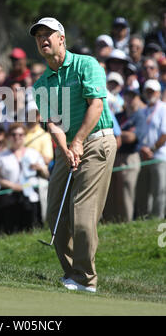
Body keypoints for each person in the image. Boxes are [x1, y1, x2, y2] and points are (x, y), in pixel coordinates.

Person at [30, 16, 117, 293]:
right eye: (38, 36)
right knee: (55, 215)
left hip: (96, 142)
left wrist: (77, 141)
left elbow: (96, 106)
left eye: (49, 34)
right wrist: (66, 149)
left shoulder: (86, 65)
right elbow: (53, 123)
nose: (43, 39)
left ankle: (86, 279)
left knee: (82, 212)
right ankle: (74, 274)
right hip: (67, 148)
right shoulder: (41, 84)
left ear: (61, 38)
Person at [0, 123, 49, 235]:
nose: (17, 137)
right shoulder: (2, 155)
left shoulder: (33, 153)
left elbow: (46, 175)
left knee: (32, 228)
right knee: (11, 230)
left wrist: (40, 168)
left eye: (21, 134)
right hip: (9, 197)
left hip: (31, 197)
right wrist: (12, 186)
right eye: (14, 134)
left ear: (25, 136)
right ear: (9, 136)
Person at [103, 88, 144, 222]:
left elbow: (132, 137)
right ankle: (112, 222)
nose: (130, 99)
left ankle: (127, 222)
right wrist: (118, 134)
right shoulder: (119, 115)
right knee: (112, 193)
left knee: (126, 192)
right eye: (127, 95)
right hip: (116, 156)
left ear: (138, 98)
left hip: (130, 157)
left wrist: (118, 134)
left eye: (133, 96)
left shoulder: (140, 115)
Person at [134, 80, 166, 219]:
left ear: (159, 93)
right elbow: (138, 134)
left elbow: (165, 133)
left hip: (159, 155)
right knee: (142, 189)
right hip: (143, 155)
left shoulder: (164, 109)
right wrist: (143, 149)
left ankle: (157, 218)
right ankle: (142, 218)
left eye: (152, 91)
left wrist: (152, 149)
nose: (150, 94)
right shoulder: (143, 111)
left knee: (158, 190)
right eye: (147, 91)